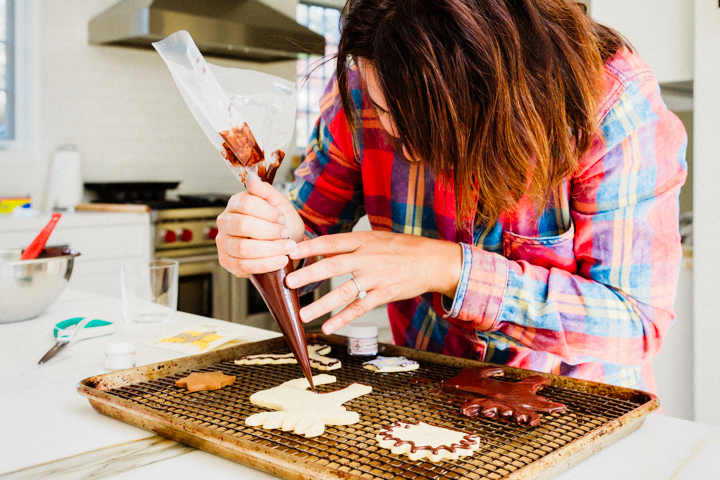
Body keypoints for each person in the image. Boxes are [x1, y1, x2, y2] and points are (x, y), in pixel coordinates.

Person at [216, 0, 687, 394]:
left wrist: (447, 268)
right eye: (385, 111)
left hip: (575, 406)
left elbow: (636, 323)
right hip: (425, 397)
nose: (404, 139)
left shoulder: (609, 104)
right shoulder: (362, 87)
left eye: (429, 120)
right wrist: (273, 240)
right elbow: (305, 234)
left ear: (501, 85)